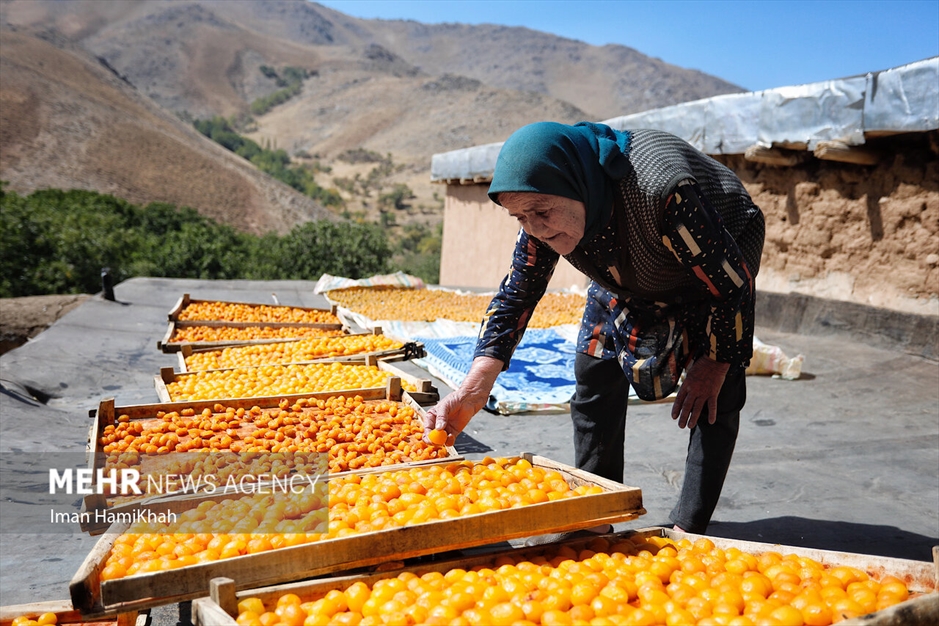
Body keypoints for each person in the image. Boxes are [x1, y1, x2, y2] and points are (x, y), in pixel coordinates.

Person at [424, 121, 765, 533]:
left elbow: (730, 284)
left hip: (711, 270)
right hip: (622, 275)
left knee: (713, 395)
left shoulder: (662, 191)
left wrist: (714, 362)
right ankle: (598, 511)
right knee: (593, 378)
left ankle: (689, 527)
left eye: (541, 213)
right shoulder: (544, 208)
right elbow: (518, 293)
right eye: (519, 217)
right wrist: (472, 389)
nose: (535, 228)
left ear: (577, 184)